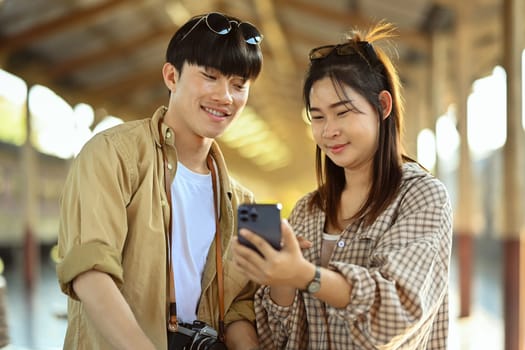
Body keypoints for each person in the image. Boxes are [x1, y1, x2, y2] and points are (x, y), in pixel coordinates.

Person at [233, 21, 453, 349]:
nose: (329, 130)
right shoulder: (309, 209)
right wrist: (280, 279)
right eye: (318, 116)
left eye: (342, 112)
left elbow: (395, 314)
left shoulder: (422, 197)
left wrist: (305, 275)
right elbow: (276, 338)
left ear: (383, 106)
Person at [56, 12, 264, 350]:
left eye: (239, 85)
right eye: (210, 76)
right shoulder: (112, 153)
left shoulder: (248, 203)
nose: (226, 97)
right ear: (171, 75)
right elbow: (89, 272)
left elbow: (244, 304)